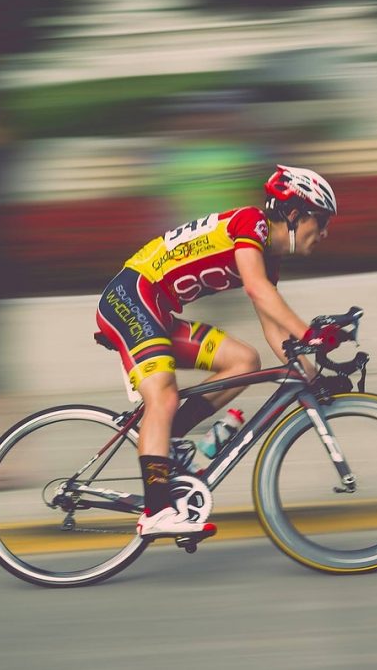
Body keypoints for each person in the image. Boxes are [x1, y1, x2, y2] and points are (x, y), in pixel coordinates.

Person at [95, 164, 342, 537]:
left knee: (244, 360)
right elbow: (258, 292)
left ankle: (169, 436)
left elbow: (272, 326)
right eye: (320, 221)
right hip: (132, 297)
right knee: (162, 393)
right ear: (294, 213)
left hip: (157, 312)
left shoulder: (267, 258)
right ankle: (157, 511)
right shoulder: (251, 224)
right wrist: (311, 332)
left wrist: (310, 376)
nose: (324, 233)